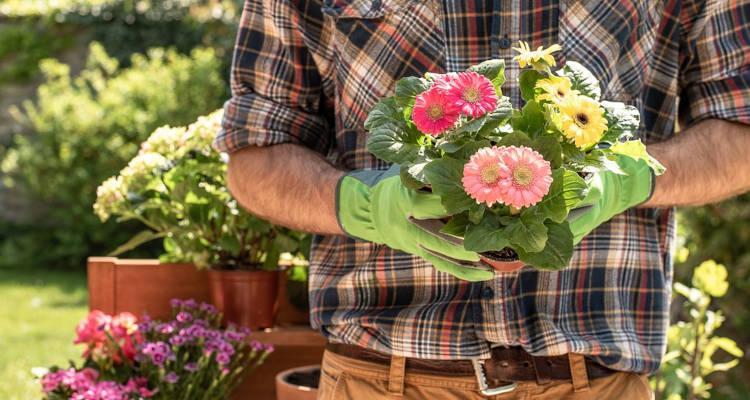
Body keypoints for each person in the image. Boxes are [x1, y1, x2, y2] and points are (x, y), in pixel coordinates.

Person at [215, 1, 750, 399]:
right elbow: (255, 154)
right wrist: (360, 204)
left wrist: (631, 176)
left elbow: (739, 132)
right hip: (379, 378)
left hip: (594, 384)